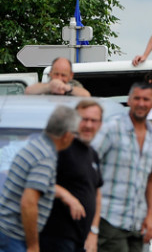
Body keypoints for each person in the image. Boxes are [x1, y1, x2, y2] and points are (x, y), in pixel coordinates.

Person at [0, 105, 78, 252]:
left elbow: (36, 184)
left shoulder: (36, 147)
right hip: (12, 233)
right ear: (66, 135)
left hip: (1, 228)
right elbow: (28, 203)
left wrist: (66, 195)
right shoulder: (45, 157)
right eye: (75, 133)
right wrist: (33, 245)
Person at [92, 82, 152, 252]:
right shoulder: (111, 128)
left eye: (146, 99)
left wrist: (150, 216)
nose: (141, 103)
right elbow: (90, 166)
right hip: (109, 218)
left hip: (138, 220)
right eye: (137, 98)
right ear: (129, 101)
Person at [40, 100, 106, 252]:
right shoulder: (61, 147)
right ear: (74, 121)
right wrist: (66, 196)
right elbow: (39, 181)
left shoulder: (92, 154)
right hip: (56, 237)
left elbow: (96, 194)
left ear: (100, 124)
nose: (89, 125)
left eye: (94, 121)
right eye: (84, 119)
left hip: (82, 240)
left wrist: (93, 232)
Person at [26, 57, 91, 97]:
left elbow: (86, 95)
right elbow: (28, 91)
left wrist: (66, 88)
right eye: (56, 74)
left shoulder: (74, 85)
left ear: (71, 76)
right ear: (50, 73)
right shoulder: (45, 86)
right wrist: (49, 87)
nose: (59, 78)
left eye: (63, 75)